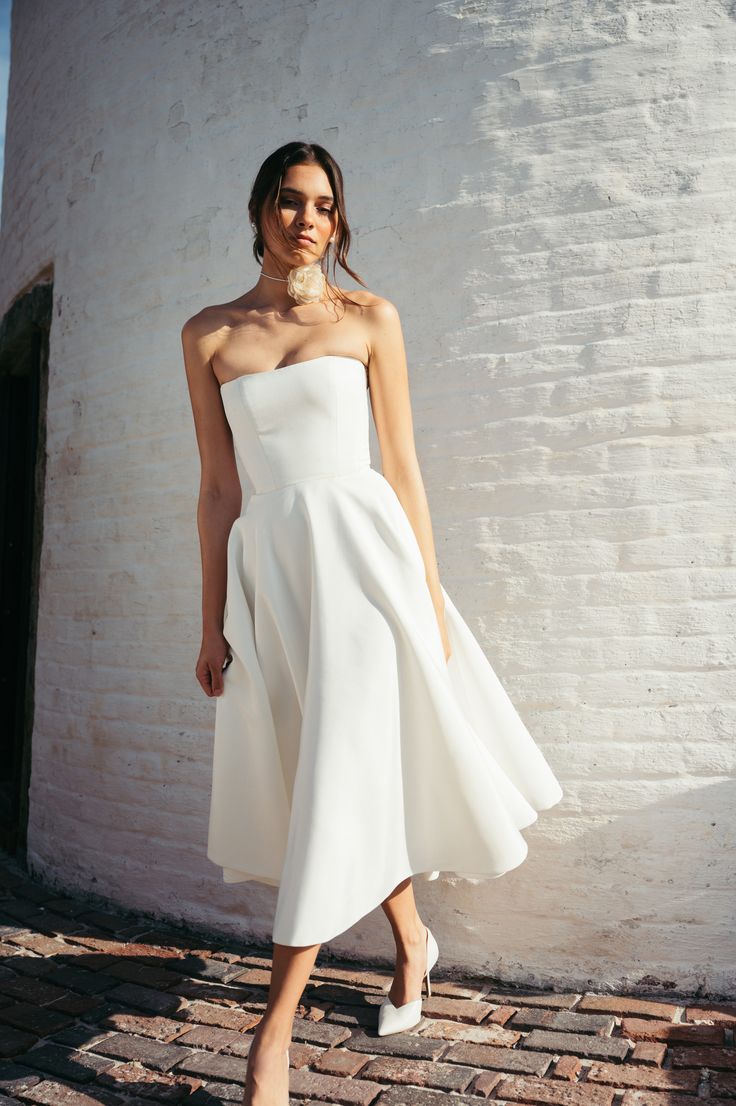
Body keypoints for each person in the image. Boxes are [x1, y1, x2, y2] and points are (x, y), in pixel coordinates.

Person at [181, 141, 563, 1106]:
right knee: (327, 774)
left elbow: (403, 466)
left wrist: (427, 596)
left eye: (323, 205)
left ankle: (270, 1045)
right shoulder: (209, 335)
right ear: (259, 209)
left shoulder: (371, 318)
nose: (306, 218)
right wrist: (212, 619)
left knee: (340, 770)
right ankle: (413, 944)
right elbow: (219, 488)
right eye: (287, 200)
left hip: (367, 573)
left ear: (338, 221)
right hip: (272, 579)